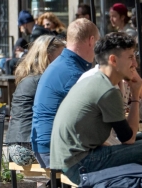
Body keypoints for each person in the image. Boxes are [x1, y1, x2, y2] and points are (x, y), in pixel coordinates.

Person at [49, 32, 142, 188]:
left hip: (72, 161)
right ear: (113, 60)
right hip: (82, 165)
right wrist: (136, 95)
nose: (135, 64)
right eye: (130, 57)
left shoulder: (94, 80)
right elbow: (128, 138)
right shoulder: (107, 90)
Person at [31, 18, 99, 167]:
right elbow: (92, 118)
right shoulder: (74, 73)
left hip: (44, 147)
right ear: (91, 40)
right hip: (55, 151)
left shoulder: (62, 64)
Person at [5, 35, 66, 166]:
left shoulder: (28, 78)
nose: (64, 60)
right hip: (29, 147)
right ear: (48, 56)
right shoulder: (43, 81)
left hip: (14, 145)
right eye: (61, 56)